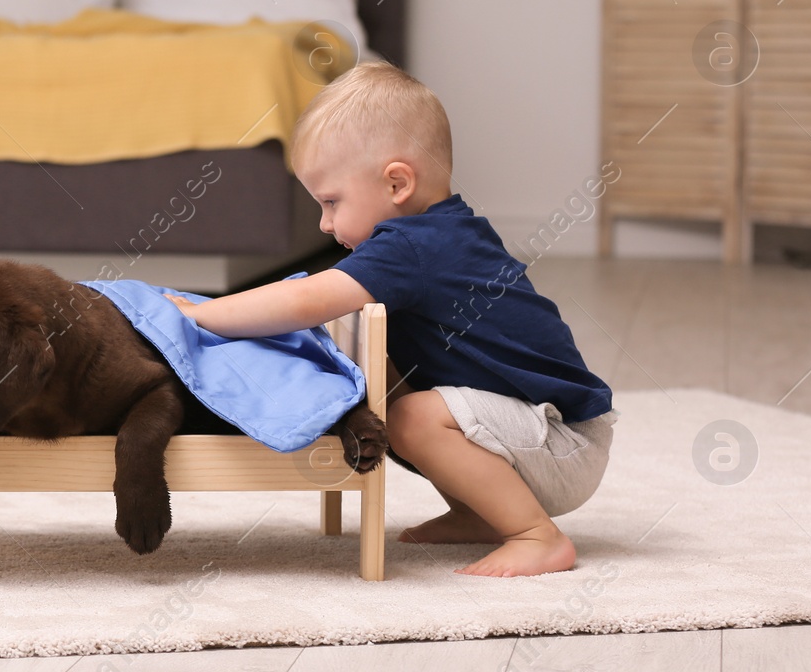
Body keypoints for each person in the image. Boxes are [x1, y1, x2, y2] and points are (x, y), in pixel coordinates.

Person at [165, 60, 615, 577]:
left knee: (412, 416)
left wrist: (205, 313)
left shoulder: (412, 247)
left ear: (397, 183)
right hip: (540, 433)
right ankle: (480, 512)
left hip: (564, 441)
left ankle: (536, 535)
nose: (325, 223)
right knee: (384, 389)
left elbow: (308, 299)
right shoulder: (436, 233)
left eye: (332, 201)